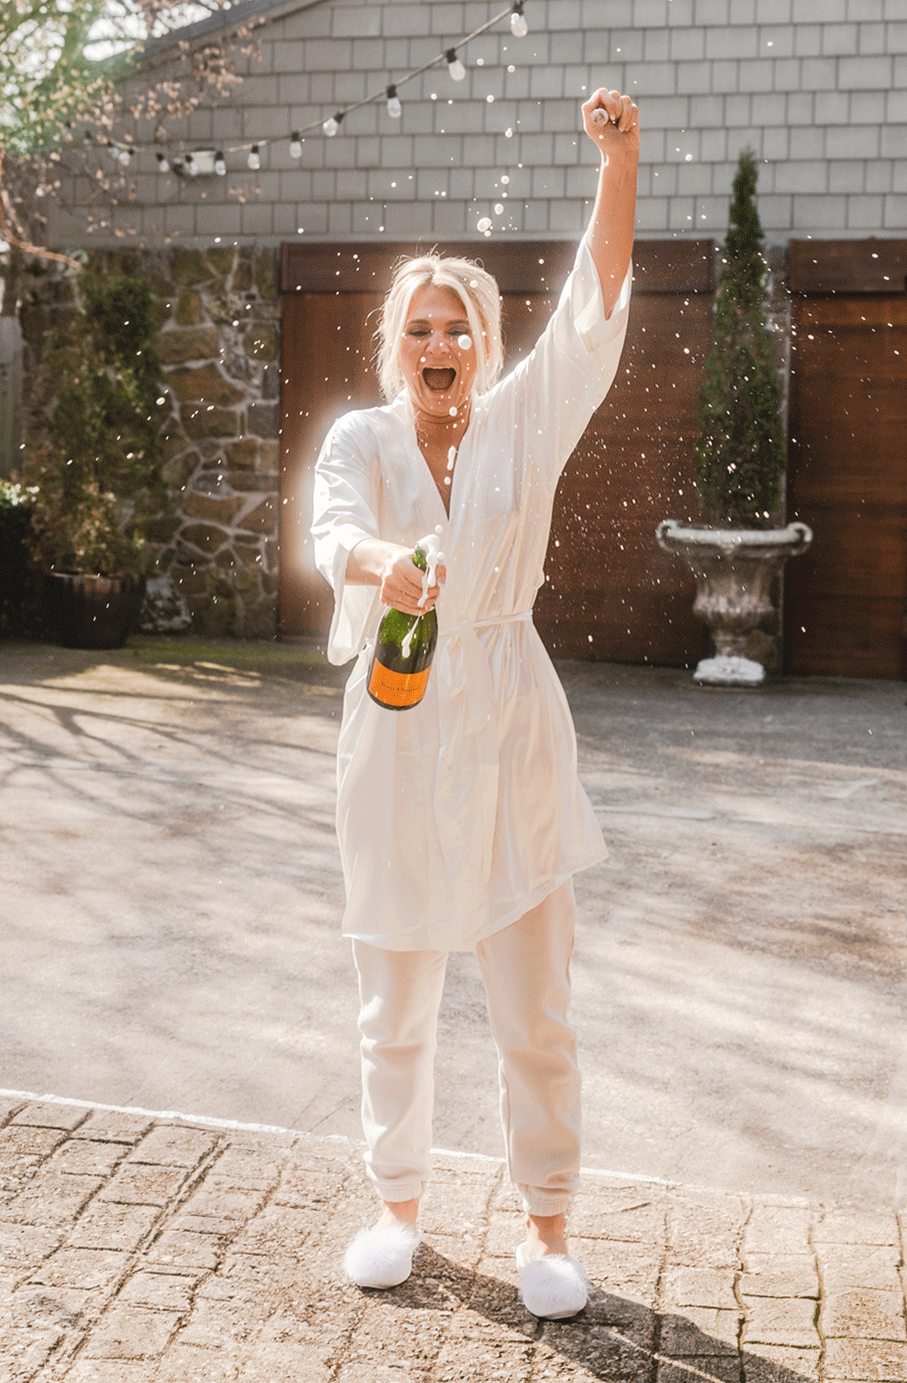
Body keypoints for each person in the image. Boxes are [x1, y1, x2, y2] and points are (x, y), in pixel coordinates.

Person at [311, 87, 639, 1320]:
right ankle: (396, 1206)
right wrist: (374, 567)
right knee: (391, 995)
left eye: (457, 328)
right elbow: (328, 526)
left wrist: (621, 165)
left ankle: (546, 1227)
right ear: (393, 344)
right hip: (393, 728)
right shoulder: (360, 437)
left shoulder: (524, 422)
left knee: (532, 1007)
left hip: (508, 718)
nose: (437, 346)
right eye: (418, 329)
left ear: (484, 343)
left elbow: (593, 310)